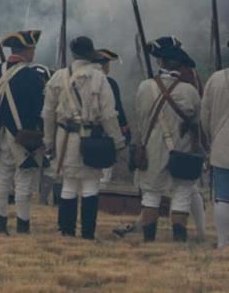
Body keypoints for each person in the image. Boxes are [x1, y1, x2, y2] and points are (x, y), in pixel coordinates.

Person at [43, 37, 125, 240]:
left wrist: (48, 142)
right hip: (92, 138)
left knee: (69, 183)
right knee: (90, 185)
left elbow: (47, 114)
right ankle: (87, 233)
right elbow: (108, 115)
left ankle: (66, 231)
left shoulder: (57, 77)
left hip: (64, 138)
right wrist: (118, 142)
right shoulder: (99, 78)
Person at [132, 36, 203, 242]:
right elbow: (196, 120)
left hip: (151, 148)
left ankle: (149, 240)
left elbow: (140, 117)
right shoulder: (190, 91)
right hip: (181, 148)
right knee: (182, 193)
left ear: (159, 62)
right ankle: (179, 240)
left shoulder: (145, 87)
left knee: (151, 195)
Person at [0, 30, 49, 235]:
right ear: (27, 50)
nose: (33, 53)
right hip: (24, 136)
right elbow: (40, 109)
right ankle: (22, 224)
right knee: (24, 181)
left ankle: (0, 223)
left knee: (1, 177)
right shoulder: (32, 76)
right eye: (32, 49)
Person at [201, 42, 229, 249]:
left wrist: (212, 137)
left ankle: (223, 242)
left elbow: (205, 116)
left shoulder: (216, 79)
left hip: (222, 144)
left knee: (223, 198)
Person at [93, 49, 130, 187]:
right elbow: (117, 109)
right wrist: (123, 127)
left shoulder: (80, 79)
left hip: (84, 135)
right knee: (104, 173)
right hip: (105, 134)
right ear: (104, 65)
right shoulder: (109, 83)